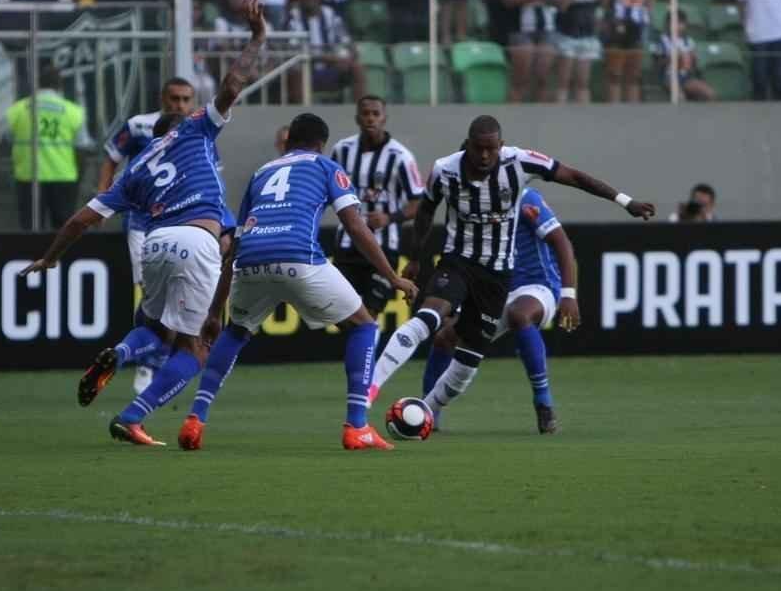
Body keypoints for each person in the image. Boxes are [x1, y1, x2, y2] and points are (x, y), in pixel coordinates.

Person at [18, 0, 267, 448]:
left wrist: (49, 258)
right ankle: (134, 416)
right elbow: (232, 84)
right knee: (195, 349)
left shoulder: (133, 170)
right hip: (198, 240)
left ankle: (122, 351)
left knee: (152, 327)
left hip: (153, 242)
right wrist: (256, 37)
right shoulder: (197, 130)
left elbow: (79, 219)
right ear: (184, 119)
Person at [366, 116, 655, 420]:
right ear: (468, 145)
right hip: (459, 261)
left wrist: (626, 201)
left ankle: (425, 413)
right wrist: (414, 256)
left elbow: (575, 177)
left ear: (501, 146)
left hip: (497, 277)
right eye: (478, 149)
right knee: (432, 315)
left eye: (491, 149)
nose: (485, 156)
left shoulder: (520, 163)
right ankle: (369, 390)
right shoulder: (444, 170)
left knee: (467, 362)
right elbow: (425, 211)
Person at [172, 113, 419, 452]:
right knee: (363, 326)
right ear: (322, 144)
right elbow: (356, 227)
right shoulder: (326, 167)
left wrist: (215, 311)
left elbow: (236, 244)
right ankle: (357, 427)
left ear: (287, 143)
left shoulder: (261, 173)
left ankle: (194, 420)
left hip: (251, 261)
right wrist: (392, 276)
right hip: (299, 258)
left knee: (235, 331)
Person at [421, 187, 579, 435]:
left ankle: (543, 402)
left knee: (520, 315)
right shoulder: (470, 204)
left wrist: (569, 294)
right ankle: (426, 413)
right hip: (494, 291)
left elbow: (561, 241)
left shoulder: (525, 198)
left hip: (539, 285)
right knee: (445, 339)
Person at [96, 77, 198, 390]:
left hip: (183, 224)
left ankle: (150, 356)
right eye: (174, 98)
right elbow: (112, 159)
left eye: (185, 99)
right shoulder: (140, 126)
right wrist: (103, 198)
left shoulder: (196, 130)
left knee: (175, 295)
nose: (179, 105)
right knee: (153, 295)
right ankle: (146, 362)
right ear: (162, 98)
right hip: (142, 225)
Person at [330, 95, 423, 318]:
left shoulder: (401, 157)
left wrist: (389, 218)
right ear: (357, 118)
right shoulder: (341, 150)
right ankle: (360, 352)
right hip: (347, 244)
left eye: (375, 114)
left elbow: (418, 203)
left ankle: (366, 353)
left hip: (383, 247)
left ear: (384, 118)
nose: (370, 118)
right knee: (342, 315)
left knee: (370, 313)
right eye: (366, 114)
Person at [4, 63, 93, 231]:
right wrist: (79, 177)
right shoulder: (73, 111)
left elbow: (8, 139)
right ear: (59, 86)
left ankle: (33, 257)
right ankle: (58, 258)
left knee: (30, 227)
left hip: (28, 176)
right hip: (64, 176)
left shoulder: (18, 110)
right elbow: (82, 147)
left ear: (37, 84)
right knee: (63, 229)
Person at [285, 0, 367, 102]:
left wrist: (349, 56)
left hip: (332, 69)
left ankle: (362, 112)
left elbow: (346, 42)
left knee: (356, 67)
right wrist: (331, 58)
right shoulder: (292, 17)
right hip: (307, 71)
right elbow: (295, 52)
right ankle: (301, 117)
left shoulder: (330, 14)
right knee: (297, 71)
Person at [502, 0, 559, 103]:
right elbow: (507, 0)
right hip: (521, 29)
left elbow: (558, 0)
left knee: (543, 77)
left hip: (547, 28)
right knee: (521, 78)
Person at [552, 0, 603, 104]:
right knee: (563, 83)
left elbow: (603, 2)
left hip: (588, 34)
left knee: (583, 84)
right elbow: (562, 6)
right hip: (566, 33)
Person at [655, 10, 717, 101]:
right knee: (680, 98)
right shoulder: (662, 41)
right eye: (673, 23)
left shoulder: (689, 42)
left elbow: (694, 65)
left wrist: (693, 60)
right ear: (667, 24)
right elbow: (657, 64)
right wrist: (672, 59)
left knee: (710, 93)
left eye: (680, 23)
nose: (677, 26)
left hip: (686, 77)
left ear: (685, 25)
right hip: (669, 77)